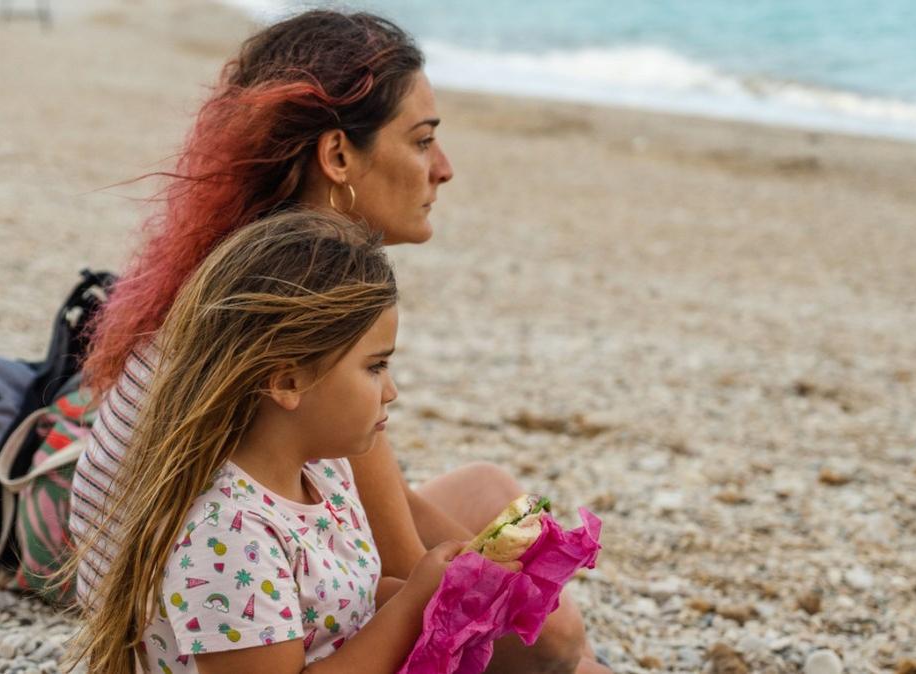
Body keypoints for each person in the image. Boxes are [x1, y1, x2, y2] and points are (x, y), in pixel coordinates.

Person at [69, 10, 607, 673]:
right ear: (338, 156)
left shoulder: (251, 274)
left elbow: (377, 524)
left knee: (490, 493)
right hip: (203, 624)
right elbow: (412, 575)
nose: (443, 169)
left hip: (182, 590)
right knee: (553, 641)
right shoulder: (302, 319)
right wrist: (528, 616)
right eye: (421, 141)